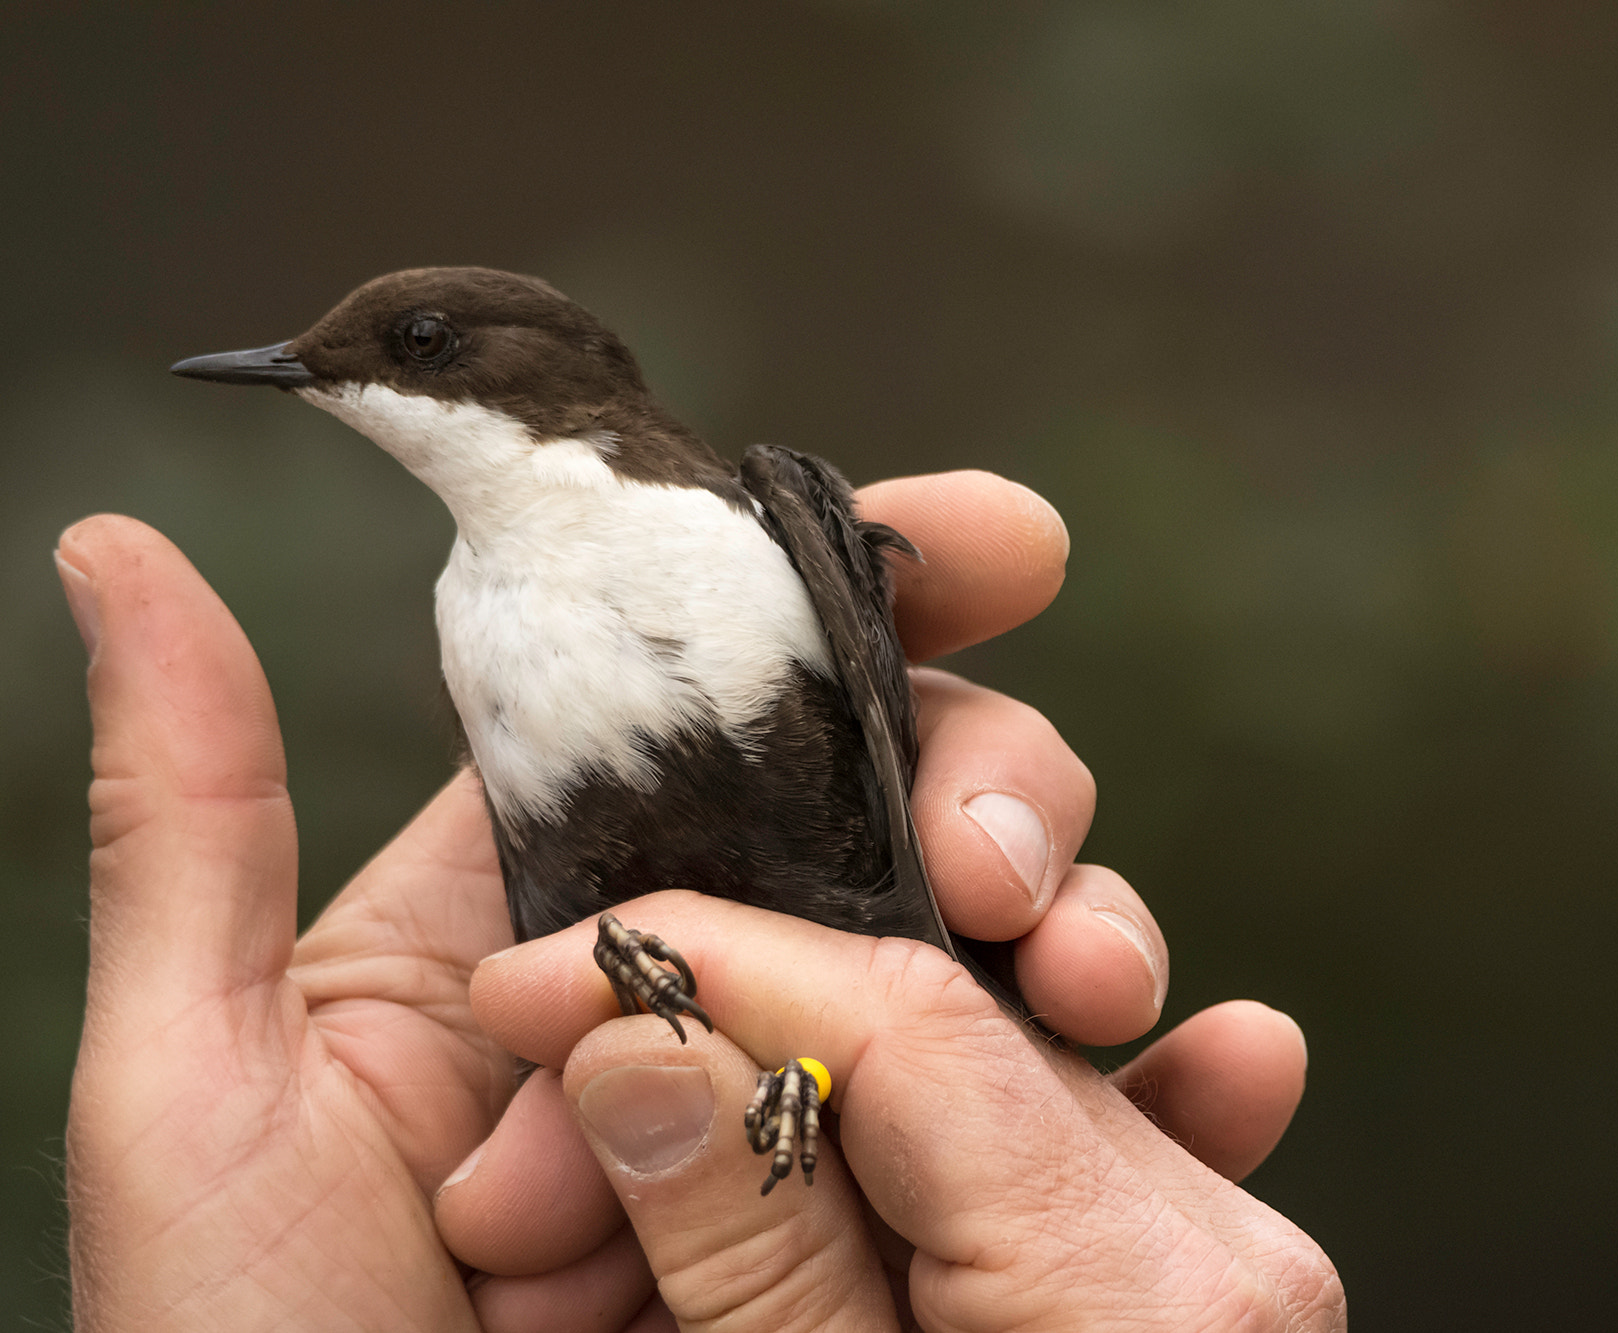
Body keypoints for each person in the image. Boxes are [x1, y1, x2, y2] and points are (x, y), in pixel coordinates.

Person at [59, 471, 1344, 1331]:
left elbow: (885, 878)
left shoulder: (744, 516)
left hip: (852, 983)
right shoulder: (483, 617)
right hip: (605, 1055)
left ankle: (824, 1083)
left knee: (890, 987)